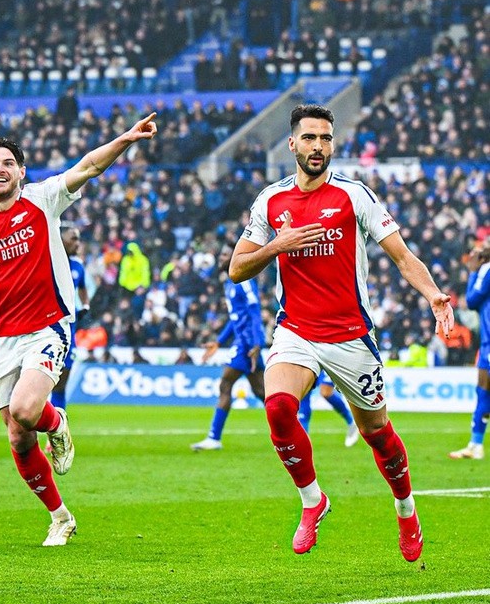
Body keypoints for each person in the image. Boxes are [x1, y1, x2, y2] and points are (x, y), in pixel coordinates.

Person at [0, 113, 158, 546]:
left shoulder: (42, 199)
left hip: (48, 327)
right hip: (3, 336)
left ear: (21, 171)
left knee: (24, 409)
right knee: (18, 438)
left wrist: (126, 138)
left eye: (7, 163)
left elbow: (89, 165)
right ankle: (60, 517)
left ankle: (55, 422)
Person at [229, 104, 454, 562]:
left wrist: (433, 294)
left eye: (326, 138)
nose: (318, 146)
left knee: (377, 433)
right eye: (310, 138)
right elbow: (236, 268)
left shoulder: (355, 196)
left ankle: (406, 509)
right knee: (278, 408)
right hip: (295, 330)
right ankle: (313, 501)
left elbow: (402, 255)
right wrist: (277, 245)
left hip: (351, 335)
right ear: (292, 144)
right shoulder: (270, 201)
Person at [191, 243, 265, 451]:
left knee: (225, 384)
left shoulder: (245, 280)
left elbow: (255, 311)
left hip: (247, 343)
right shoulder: (230, 283)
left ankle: (214, 438)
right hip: (244, 341)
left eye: (225, 254)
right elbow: (235, 319)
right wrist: (219, 341)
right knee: (261, 391)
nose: (221, 257)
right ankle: (293, 426)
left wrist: (257, 342)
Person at [450, 238, 490, 460]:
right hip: (486, 342)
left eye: (482, 247)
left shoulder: (486, 269)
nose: (477, 250)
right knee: (483, 390)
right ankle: (475, 444)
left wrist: (473, 272)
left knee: (484, 389)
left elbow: (472, 301)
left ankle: (476, 445)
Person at [49, 224, 90, 412]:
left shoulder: (78, 265)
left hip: (68, 329)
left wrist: (85, 306)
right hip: (45, 327)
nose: (78, 243)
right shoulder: (47, 261)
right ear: (61, 239)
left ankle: (57, 426)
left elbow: (82, 287)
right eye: (74, 238)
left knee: (61, 384)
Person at [297, 370, 359, 447]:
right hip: (308, 364)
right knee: (304, 393)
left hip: (325, 364)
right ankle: (303, 440)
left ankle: (351, 421)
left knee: (326, 392)